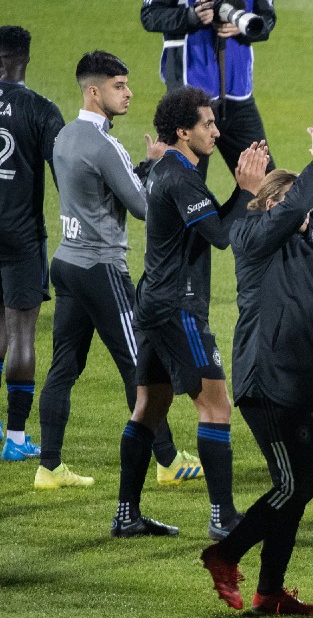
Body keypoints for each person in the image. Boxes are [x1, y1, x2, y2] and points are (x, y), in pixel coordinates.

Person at [201, 103, 313, 615]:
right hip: (265, 378)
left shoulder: (308, 233)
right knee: (295, 483)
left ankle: (270, 593)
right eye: (294, 199)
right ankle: (224, 554)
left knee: (296, 488)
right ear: (270, 202)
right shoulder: (251, 237)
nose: (307, 209)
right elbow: (294, 210)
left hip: (297, 380)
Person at [36, 51, 203, 489]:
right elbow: (145, 207)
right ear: (95, 91)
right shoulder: (105, 144)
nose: (128, 93)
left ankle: (48, 466)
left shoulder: (65, 137)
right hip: (101, 267)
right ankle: (167, 460)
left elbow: (100, 190)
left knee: (63, 367)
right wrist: (163, 165)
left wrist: (142, 167)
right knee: (139, 362)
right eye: (119, 86)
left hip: (67, 261)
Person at [112, 86, 267, 539]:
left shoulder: (169, 168)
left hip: (153, 305)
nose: (216, 132)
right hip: (178, 308)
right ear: (183, 131)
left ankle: (127, 515)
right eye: (208, 124)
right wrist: (245, 191)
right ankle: (224, 518)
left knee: (149, 406)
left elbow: (201, 225)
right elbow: (220, 235)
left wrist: (236, 194)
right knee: (216, 408)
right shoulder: (180, 177)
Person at [141, 0, 277, 179]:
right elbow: (150, 15)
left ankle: (231, 224)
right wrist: (191, 17)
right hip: (190, 98)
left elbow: (268, 18)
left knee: (266, 187)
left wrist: (243, 28)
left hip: (239, 96)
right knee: (185, 191)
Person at [0, 25, 65, 462]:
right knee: (21, 330)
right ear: (24, 59)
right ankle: (17, 438)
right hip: (22, 234)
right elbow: (68, 174)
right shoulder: (41, 110)